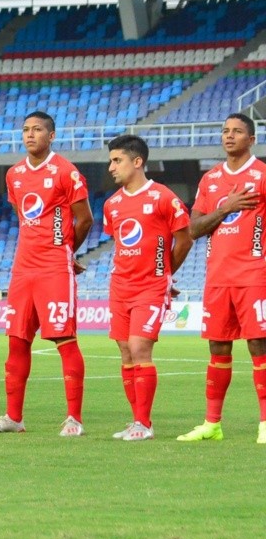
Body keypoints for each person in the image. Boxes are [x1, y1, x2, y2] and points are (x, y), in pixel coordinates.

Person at [0, 111, 93, 437]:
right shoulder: (14, 174)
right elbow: (21, 214)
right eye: (26, 130)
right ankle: (13, 418)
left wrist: (66, 250)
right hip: (22, 269)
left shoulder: (65, 172)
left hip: (54, 267)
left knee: (65, 341)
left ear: (51, 135)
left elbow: (84, 220)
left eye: (38, 130)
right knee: (17, 342)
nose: (30, 135)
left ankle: (74, 419)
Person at [177, 113, 266, 445]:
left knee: (259, 344)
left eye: (237, 131)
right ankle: (212, 423)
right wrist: (226, 207)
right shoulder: (211, 179)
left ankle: (265, 423)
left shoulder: (262, 176)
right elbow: (193, 229)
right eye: (225, 130)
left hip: (254, 275)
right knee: (218, 347)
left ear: (251, 139)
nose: (229, 136)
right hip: (217, 277)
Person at [104, 134, 192, 441]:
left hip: (150, 288)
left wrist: (164, 274)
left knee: (140, 348)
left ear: (137, 161)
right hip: (119, 287)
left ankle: (143, 423)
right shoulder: (112, 205)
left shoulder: (163, 197)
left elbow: (185, 238)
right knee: (126, 353)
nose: (111, 167)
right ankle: (138, 421)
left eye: (117, 160)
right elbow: (120, 245)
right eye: (111, 161)